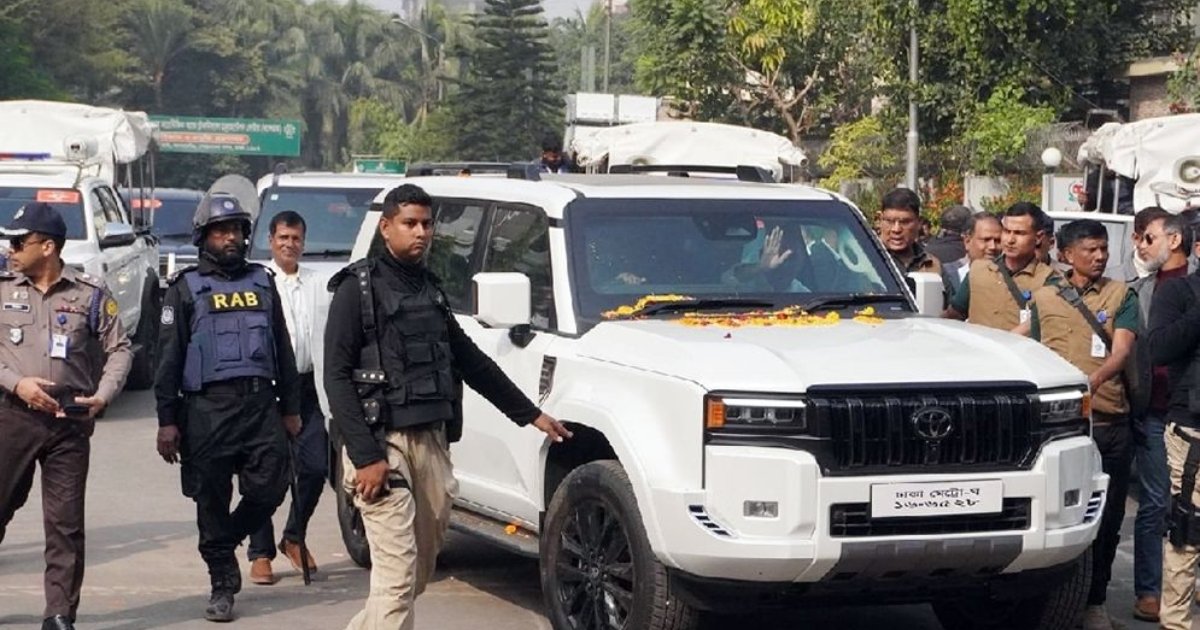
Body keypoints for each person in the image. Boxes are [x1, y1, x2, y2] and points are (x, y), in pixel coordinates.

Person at [325, 184, 572, 630]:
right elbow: (336, 377)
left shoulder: (431, 290)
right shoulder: (356, 289)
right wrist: (365, 456)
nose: (421, 232)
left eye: (426, 223)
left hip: (433, 445)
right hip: (383, 445)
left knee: (414, 576)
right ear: (386, 228)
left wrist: (530, 414)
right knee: (397, 581)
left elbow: (472, 362)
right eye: (409, 223)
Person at [154, 195, 302, 622]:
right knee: (211, 499)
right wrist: (167, 421)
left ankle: (225, 541)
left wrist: (290, 408)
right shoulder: (184, 288)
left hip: (259, 404)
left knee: (271, 486)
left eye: (236, 230)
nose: (231, 238)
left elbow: (283, 349)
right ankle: (222, 584)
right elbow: (168, 359)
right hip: (206, 410)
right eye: (221, 231)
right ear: (204, 237)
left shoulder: (262, 282)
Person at [0, 203, 133, 630]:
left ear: (48, 247)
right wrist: (16, 383)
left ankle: (59, 613)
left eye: (19, 242)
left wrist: (103, 395)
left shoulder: (89, 293)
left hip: (69, 419)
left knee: (65, 523)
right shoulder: (2, 288)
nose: (10, 250)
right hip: (13, 415)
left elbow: (120, 349)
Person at [1028, 219, 1139, 630]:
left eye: (1103, 248)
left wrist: (1090, 383)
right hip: (1059, 430)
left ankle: (1095, 602)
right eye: (1090, 249)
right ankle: (1052, 602)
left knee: (1107, 521)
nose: (1100, 256)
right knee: (1058, 520)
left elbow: (1122, 351)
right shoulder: (1043, 298)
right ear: (1066, 254)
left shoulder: (1121, 294)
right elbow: (1033, 349)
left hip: (1109, 423)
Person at [246, 211, 330, 585]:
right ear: (271, 240)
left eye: (295, 238)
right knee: (262, 472)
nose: (289, 244)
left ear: (303, 242)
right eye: (283, 237)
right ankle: (260, 552)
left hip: (309, 387)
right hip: (267, 388)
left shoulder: (318, 283)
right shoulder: (257, 282)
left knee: (314, 466)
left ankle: (294, 536)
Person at [1130, 210, 1195, 622]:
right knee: (1156, 503)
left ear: (1174, 240)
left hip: (1188, 410)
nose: (1141, 246)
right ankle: (1150, 590)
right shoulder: (1141, 289)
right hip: (1153, 411)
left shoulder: (1192, 285)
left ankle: (1184, 588)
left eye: (1149, 238)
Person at [1145, 218, 1200, 630]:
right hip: (1191, 429)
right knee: (1188, 527)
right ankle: (1177, 622)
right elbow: (1159, 349)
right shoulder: (1178, 291)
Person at [943, 202, 1060, 331]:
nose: (1010, 240)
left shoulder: (1050, 280)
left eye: (1019, 233)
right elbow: (953, 315)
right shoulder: (978, 271)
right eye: (1007, 231)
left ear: (1038, 238)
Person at [878, 187, 942, 275]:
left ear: (919, 223)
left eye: (905, 222)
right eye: (890, 221)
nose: (896, 229)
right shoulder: (866, 260)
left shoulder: (932, 265)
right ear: (880, 220)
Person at [943, 211, 1001, 294]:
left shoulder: (1010, 280)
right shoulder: (948, 279)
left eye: (998, 241)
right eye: (986, 240)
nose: (993, 246)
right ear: (967, 241)